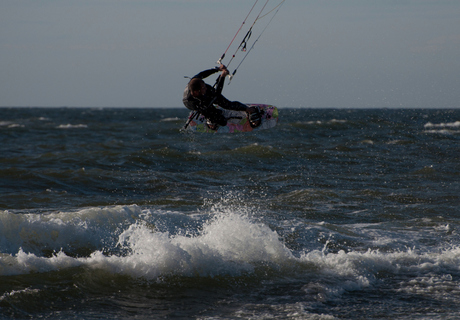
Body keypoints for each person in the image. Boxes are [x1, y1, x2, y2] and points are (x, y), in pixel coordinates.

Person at [182, 64, 261, 129]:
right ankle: (212, 117)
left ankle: (251, 110)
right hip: (199, 103)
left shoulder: (195, 81)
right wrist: (222, 77)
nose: (205, 87)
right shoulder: (193, 102)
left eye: (204, 85)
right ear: (196, 92)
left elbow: (202, 74)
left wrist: (217, 69)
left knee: (226, 104)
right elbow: (217, 94)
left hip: (203, 95)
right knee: (222, 122)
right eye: (203, 87)